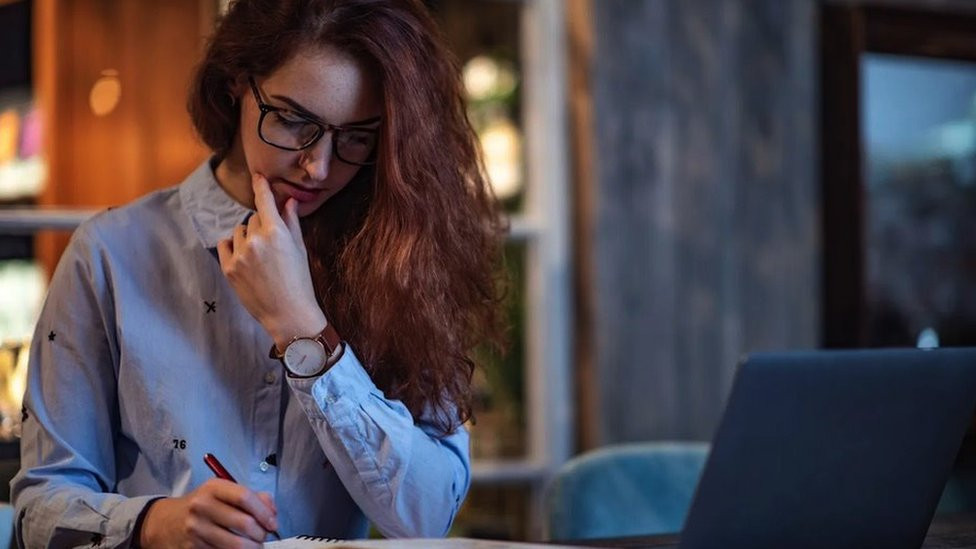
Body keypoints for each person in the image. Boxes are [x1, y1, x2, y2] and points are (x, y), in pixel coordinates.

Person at [10, 0, 505, 546]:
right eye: (293, 121)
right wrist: (155, 524)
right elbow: (39, 511)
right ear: (235, 85)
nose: (318, 166)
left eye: (357, 137)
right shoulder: (111, 254)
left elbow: (427, 517)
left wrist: (303, 330)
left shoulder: (401, 259)